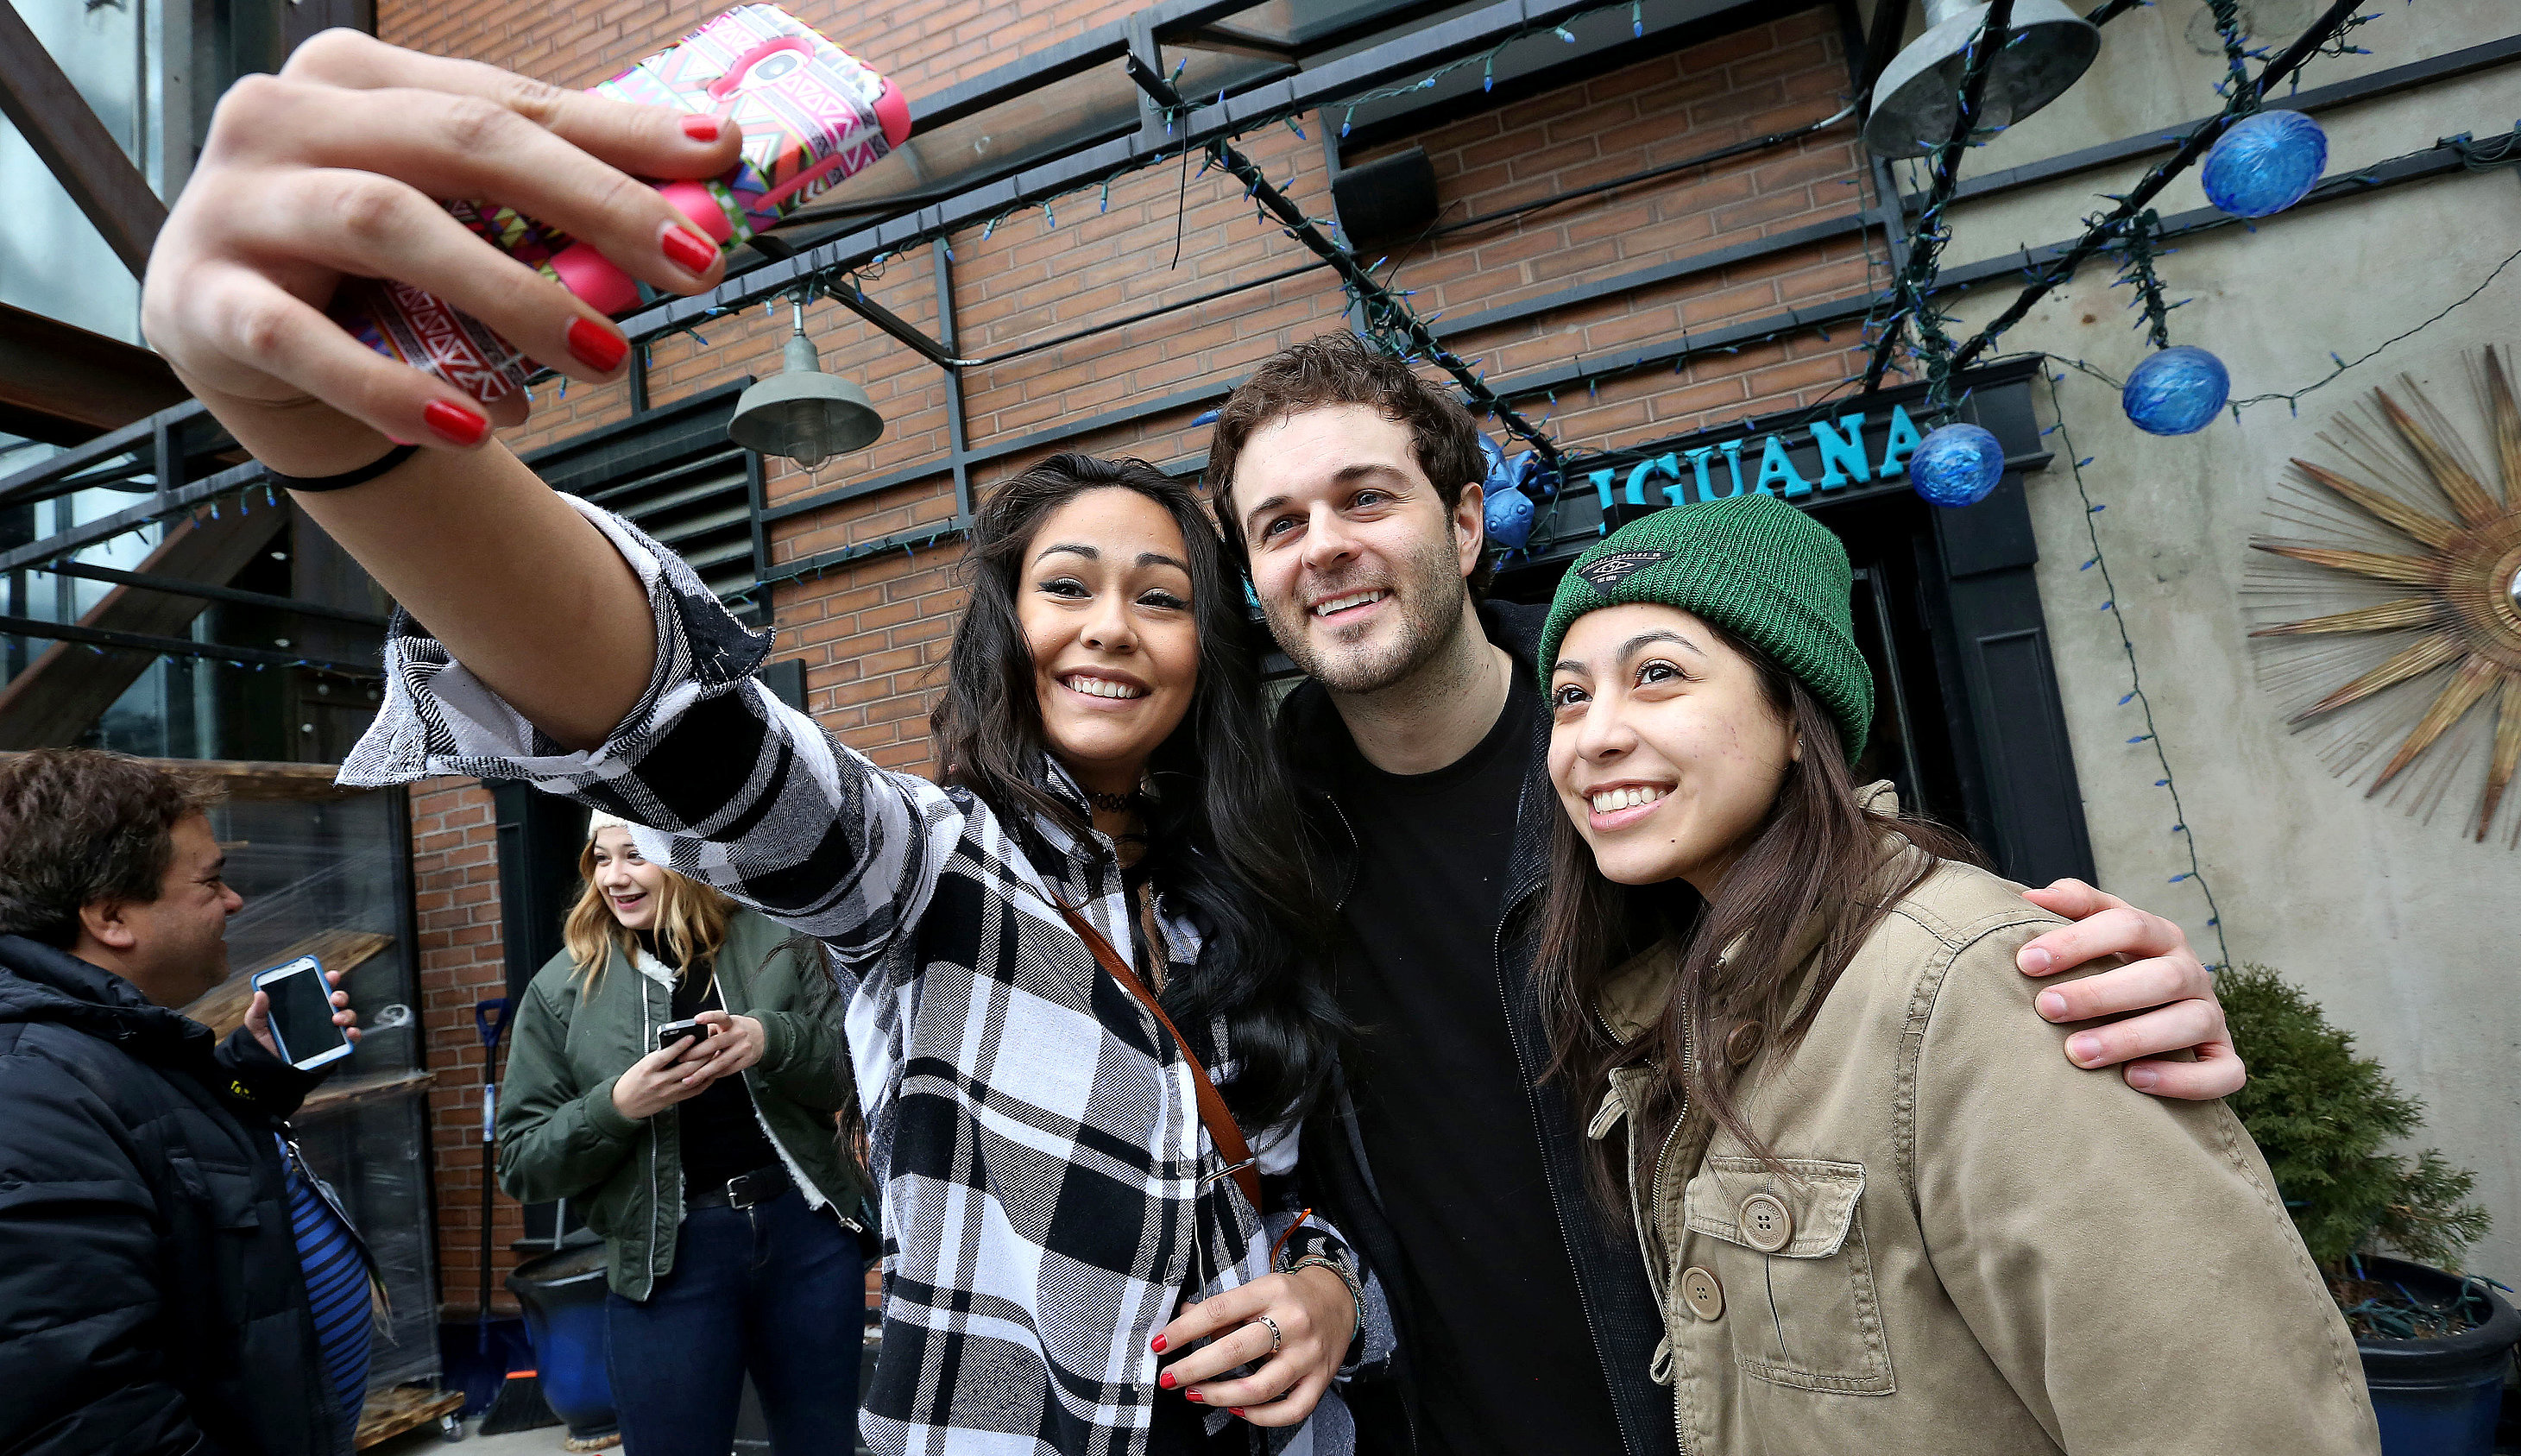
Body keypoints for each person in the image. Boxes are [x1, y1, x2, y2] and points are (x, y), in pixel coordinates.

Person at [139, 30, 2237, 1454]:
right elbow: (687, 730)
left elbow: (1863, 947)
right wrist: (346, 444)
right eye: (1089, 579)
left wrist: (2076, 995)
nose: (1141, 612)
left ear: (1454, 514)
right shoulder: (979, 867)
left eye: (1179, 576)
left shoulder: (1568, 780)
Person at [1201, 333, 2254, 1455]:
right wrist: (1325, 1277)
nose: (1324, 547)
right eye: (1280, 524)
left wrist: (2047, 987)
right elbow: (1284, 1139)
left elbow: (1861, 913)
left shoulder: (1647, 778)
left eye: (1364, 498)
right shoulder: (1247, 841)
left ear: (1465, 525)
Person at [1523, 495, 2376, 1453]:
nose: (1594, 735)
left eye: (1659, 675)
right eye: (1570, 694)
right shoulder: (1689, 993)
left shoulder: (1977, 983)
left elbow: (2228, 1418)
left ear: (1799, 717)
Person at [0, 747, 366, 1454]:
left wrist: (255, 1073)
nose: (234, 901)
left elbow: (169, 1145)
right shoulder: (29, 1093)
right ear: (111, 916)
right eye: (212, 879)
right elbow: (85, 1419)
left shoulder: (105, 1044)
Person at [495, 812, 875, 1456]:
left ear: (685, 856)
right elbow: (523, 1162)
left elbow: (852, 1075)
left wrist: (769, 1038)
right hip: (667, 1260)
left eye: (635, 855)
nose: (616, 877)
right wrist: (617, 1105)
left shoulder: (778, 936)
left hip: (802, 1238)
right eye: (602, 857)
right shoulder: (560, 987)